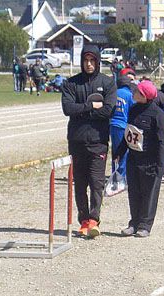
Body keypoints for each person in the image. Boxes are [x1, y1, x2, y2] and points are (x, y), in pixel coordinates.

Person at [61, 44, 117, 238]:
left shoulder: (108, 83)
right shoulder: (71, 84)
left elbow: (108, 110)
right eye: (86, 60)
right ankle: (83, 219)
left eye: (93, 60)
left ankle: (94, 219)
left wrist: (83, 111)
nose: (89, 64)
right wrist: (91, 106)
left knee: (96, 182)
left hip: (98, 141)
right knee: (80, 183)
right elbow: (68, 109)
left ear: (98, 62)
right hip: (76, 141)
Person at [112, 79, 164, 238]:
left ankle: (145, 225)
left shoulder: (158, 114)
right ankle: (134, 223)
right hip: (133, 159)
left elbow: (162, 142)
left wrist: (160, 165)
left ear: (145, 96)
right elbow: (129, 133)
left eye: (137, 92)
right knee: (134, 192)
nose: (133, 93)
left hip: (150, 161)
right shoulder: (133, 109)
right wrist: (119, 151)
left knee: (149, 193)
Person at [109, 70, 135, 195]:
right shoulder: (129, 95)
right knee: (123, 153)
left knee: (115, 152)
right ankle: (120, 179)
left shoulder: (114, 94)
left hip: (112, 125)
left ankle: (115, 175)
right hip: (123, 126)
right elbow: (133, 110)